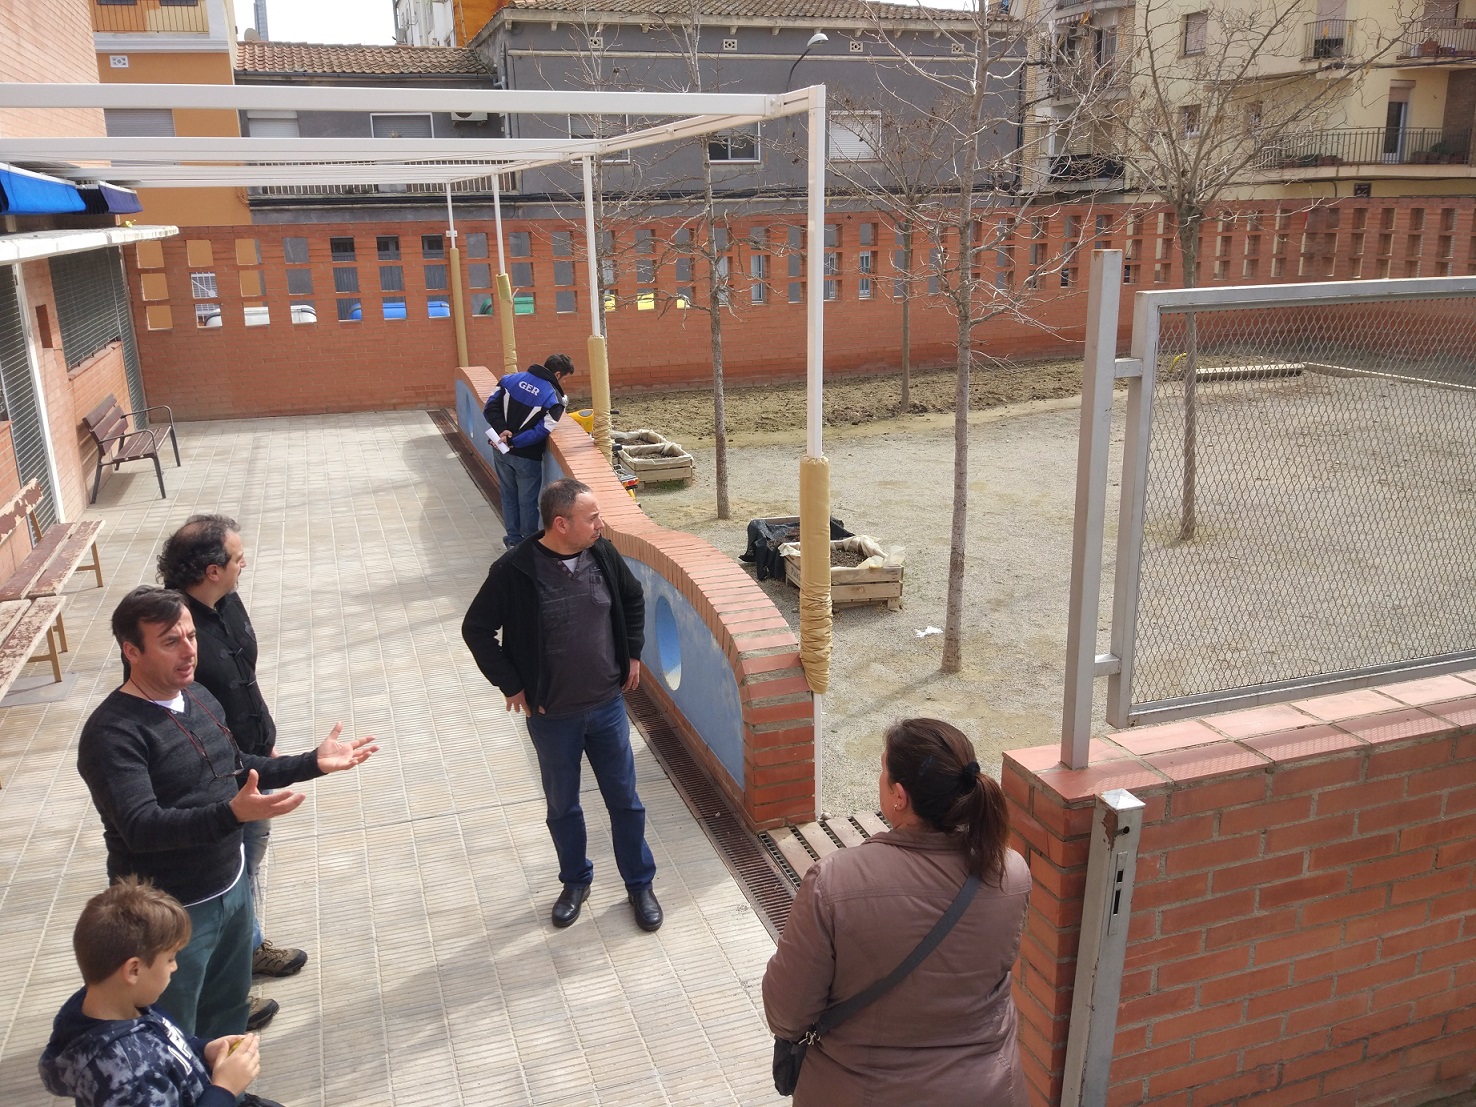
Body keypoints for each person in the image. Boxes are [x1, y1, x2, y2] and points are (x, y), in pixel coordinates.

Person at [78, 586, 378, 1040]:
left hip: (232, 890)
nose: (189, 651)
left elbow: (237, 766)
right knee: (173, 1031)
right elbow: (140, 826)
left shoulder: (197, 695)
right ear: (131, 651)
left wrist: (311, 763)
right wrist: (232, 815)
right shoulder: (112, 734)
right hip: (169, 915)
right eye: (170, 641)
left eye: (191, 636)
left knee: (228, 1012)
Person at [762, 718, 1031, 1106]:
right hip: (986, 1090)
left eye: (883, 770)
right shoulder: (1010, 873)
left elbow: (787, 1012)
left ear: (899, 796)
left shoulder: (834, 883)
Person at [461, 477, 662, 932]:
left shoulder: (602, 553)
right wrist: (511, 684)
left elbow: (632, 598)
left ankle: (639, 885)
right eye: (592, 518)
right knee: (563, 807)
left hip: (607, 708)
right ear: (561, 524)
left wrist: (632, 652)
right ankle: (575, 882)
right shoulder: (514, 570)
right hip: (552, 717)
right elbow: (476, 629)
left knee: (626, 802)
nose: (600, 524)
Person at [156, 515, 307, 996]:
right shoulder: (173, 629)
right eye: (238, 558)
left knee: (248, 866)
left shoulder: (226, 601)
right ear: (212, 570)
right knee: (225, 878)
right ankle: (224, 989)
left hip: (253, 761)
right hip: (216, 777)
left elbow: (244, 678)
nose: (246, 564)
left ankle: (248, 948)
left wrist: (265, 739)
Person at [38, 877, 280, 1107]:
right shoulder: (128, 1076)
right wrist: (224, 1089)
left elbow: (163, 1045)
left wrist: (203, 1050)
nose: (175, 967)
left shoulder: (113, 1004)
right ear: (133, 970)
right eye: (170, 959)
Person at [484, 352, 575, 549]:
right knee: (527, 502)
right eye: (564, 379)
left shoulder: (509, 380)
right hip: (526, 456)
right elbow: (541, 431)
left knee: (508, 496)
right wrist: (514, 441)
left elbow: (489, 408)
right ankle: (527, 545)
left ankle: (512, 540)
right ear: (557, 374)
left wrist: (502, 432)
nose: (564, 383)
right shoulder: (554, 398)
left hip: (500, 449)